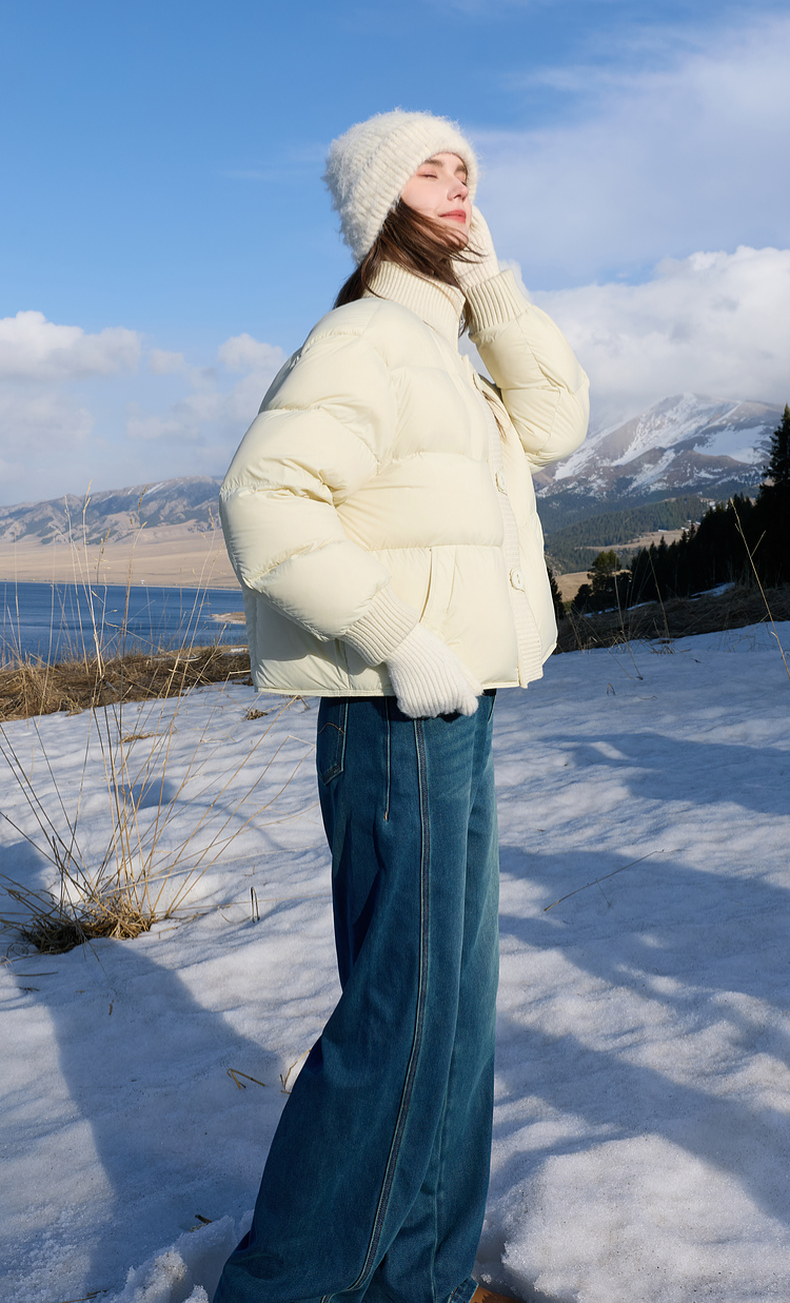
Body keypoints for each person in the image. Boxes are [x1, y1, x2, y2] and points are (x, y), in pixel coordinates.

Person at [214, 109, 589, 1303]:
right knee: (403, 1017)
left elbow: (554, 423)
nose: (456, 181)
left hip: (455, 708)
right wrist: (399, 640)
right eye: (427, 168)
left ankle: (417, 1280)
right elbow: (264, 504)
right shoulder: (366, 339)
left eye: (464, 165)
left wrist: (493, 290)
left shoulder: (444, 349)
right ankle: (286, 1289)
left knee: (455, 1016)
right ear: (378, 201)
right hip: (396, 712)